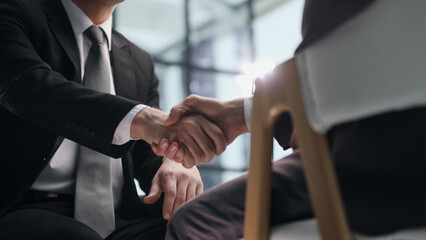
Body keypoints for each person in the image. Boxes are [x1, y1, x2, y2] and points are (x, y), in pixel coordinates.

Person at [159, 0, 426, 239]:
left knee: (194, 221)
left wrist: (302, 118)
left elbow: (327, 81)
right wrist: (239, 115)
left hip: (368, 176)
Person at [0, 0, 226, 239]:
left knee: (203, 229)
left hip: (121, 217)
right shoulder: (14, 13)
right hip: (23, 206)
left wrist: (174, 161)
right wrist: (144, 119)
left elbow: (147, 152)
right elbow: (28, 87)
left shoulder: (140, 62)